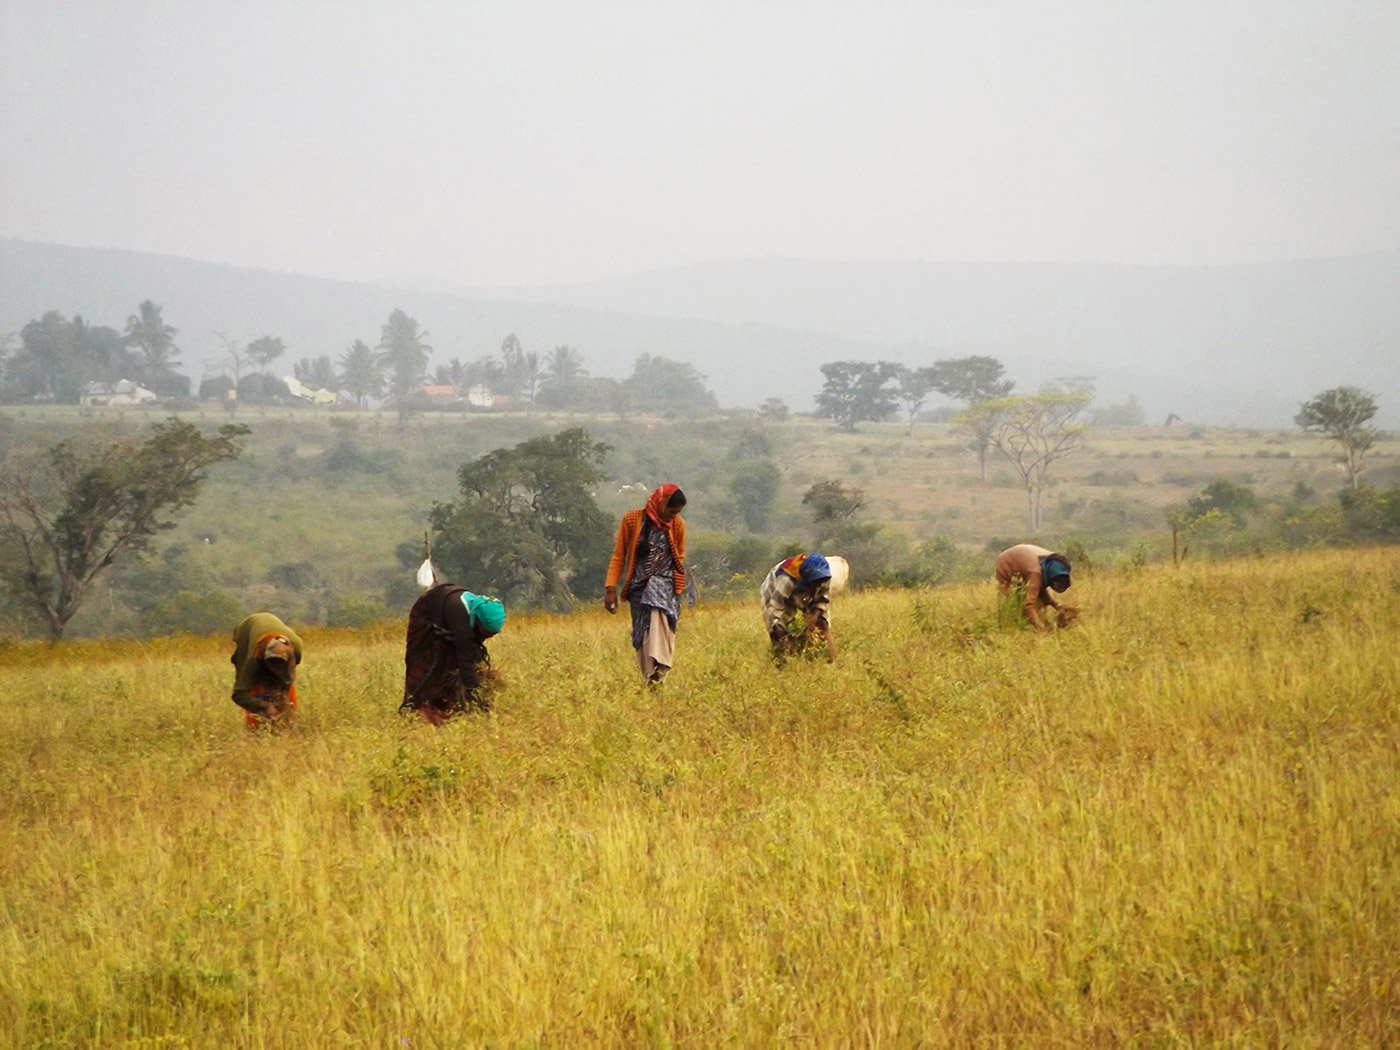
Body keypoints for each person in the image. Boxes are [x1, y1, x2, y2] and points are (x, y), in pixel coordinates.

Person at [604, 483, 687, 685]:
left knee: (660, 620)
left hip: (665, 585)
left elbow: (680, 555)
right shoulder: (632, 520)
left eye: (677, 513)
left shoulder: (677, 525)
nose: (672, 516)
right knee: (642, 632)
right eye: (671, 511)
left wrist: (665, 577)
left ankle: (661, 668)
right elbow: (619, 556)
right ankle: (650, 678)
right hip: (637, 588)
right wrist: (610, 588)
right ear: (661, 504)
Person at [401, 582, 506, 724]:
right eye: (487, 633)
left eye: (493, 634)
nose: (489, 637)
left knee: (453, 667)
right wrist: (477, 697)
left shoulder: (476, 616)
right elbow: (466, 661)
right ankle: (416, 709)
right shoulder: (461, 622)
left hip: (450, 621)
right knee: (426, 665)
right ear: (479, 622)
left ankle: (447, 706)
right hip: (428, 616)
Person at [760, 552, 838, 664]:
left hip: (802, 589)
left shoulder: (824, 577)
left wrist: (814, 617)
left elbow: (822, 600)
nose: (818, 585)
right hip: (775, 590)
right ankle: (781, 664)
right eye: (814, 583)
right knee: (778, 629)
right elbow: (775, 610)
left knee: (822, 624)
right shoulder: (787, 580)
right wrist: (783, 636)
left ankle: (832, 662)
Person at [230, 612, 303, 730]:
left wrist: (284, 708)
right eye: (272, 663)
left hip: (271, 626)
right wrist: (264, 706)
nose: (275, 670)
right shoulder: (254, 657)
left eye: (279, 664)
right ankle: (254, 727)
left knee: (282, 690)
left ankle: (286, 724)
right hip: (248, 629)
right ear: (264, 657)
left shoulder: (296, 650)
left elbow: (287, 682)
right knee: (254, 685)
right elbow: (239, 695)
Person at [995, 543, 1072, 632]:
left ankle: (1032, 625)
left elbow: (1041, 588)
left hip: (1024, 562)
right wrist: (1040, 628)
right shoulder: (1036, 572)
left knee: (1035, 603)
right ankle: (1011, 630)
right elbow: (1028, 605)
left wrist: (1058, 606)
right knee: (1012, 604)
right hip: (1006, 564)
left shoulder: (1052, 563)